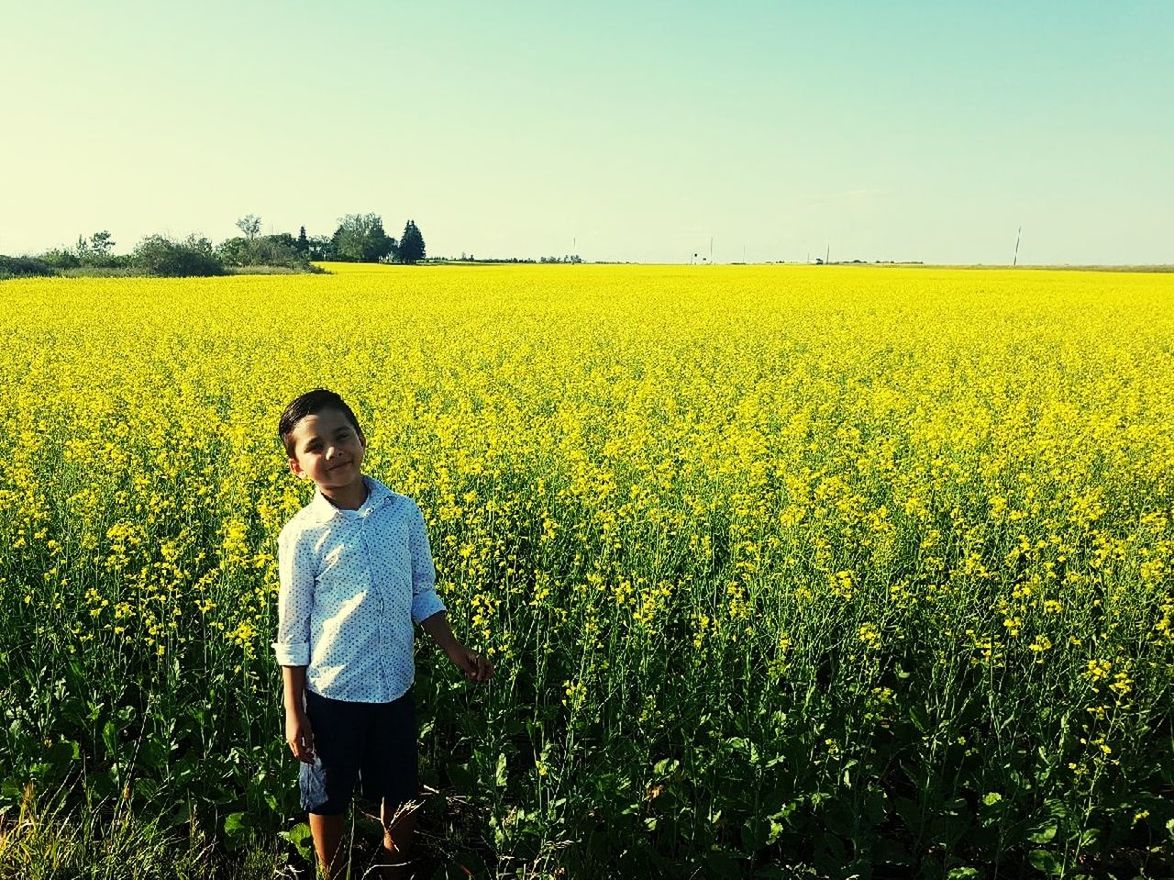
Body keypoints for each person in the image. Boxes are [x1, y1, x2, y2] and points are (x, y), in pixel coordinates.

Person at [272, 388, 493, 879]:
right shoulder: (302, 533)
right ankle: (332, 872)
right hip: (332, 691)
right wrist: (295, 710)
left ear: (362, 439)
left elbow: (422, 593)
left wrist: (454, 649)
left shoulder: (403, 513)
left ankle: (395, 870)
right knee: (327, 794)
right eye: (314, 446)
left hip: (395, 684)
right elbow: (293, 630)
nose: (333, 452)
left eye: (342, 436)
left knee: (399, 789)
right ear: (297, 466)